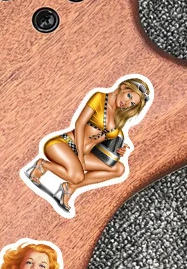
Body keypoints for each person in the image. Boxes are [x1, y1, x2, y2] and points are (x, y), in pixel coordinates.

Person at [26, 77, 151, 211]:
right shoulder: (100, 97)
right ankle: (43, 165)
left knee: (119, 169)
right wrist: (80, 156)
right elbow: (79, 124)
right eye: (129, 96)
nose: (126, 103)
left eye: (132, 104)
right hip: (64, 145)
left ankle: (70, 188)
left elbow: (107, 144)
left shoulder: (118, 117)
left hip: (83, 155)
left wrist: (119, 150)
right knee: (77, 176)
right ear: (123, 87)